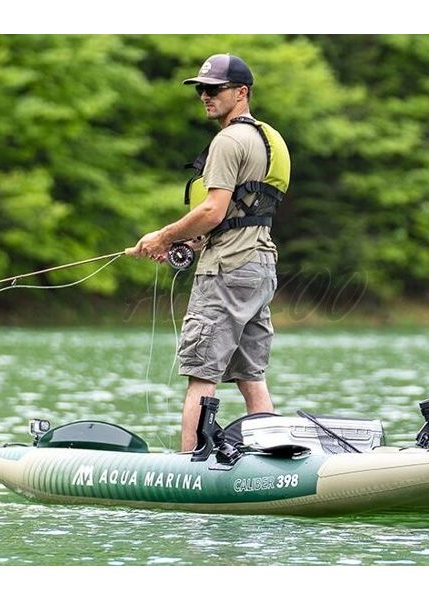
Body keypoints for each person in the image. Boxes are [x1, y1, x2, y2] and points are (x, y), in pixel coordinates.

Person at [126, 54, 290, 451]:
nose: (205, 95)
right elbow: (240, 214)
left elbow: (212, 210)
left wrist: (162, 237)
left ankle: (189, 465)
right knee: (251, 375)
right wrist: (187, 242)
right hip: (259, 266)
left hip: (227, 269)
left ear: (241, 92)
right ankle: (272, 455)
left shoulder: (228, 140)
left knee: (201, 374)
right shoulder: (266, 139)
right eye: (202, 88)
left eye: (215, 89)